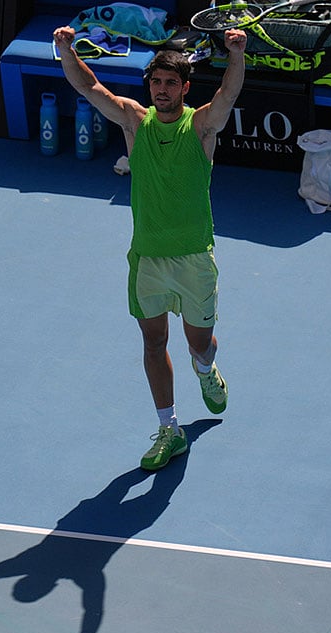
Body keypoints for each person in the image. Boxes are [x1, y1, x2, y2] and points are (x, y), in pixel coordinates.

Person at [52, 25, 247, 471]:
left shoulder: (200, 127)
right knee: (153, 340)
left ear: (184, 88)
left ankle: (205, 370)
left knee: (200, 345)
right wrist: (65, 50)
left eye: (170, 83)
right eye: (156, 82)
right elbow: (89, 85)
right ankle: (169, 429)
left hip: (195, 258)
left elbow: (227, 97)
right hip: (147, 259)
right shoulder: (134, 122)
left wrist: (236, 56)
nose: (162, 90)